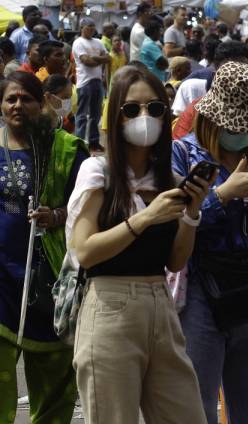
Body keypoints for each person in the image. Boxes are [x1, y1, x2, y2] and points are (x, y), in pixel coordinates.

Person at [68, 65, 211, 424]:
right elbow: (85, 251)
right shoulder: (97, 172)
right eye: (132, 109)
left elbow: (176, 262)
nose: (144, 117)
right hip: (110, 306)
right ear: (116, 116)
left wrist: (191, 213)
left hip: (161, 304)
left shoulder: (170, 179)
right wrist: (145, 218)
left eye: (155, 108)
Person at [172, 61, 248, 424]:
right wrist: (222, 194)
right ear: (212, 119)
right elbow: (176, 224)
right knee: (198, 406)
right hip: (200, 291)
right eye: (234, 126)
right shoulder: (182, 155)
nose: (240, 134)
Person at [0, 70, 88, 424]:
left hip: (51, 283)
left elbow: (90, 204)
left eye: (27, 98)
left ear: (41, 103)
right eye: (11, 98)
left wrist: (58, 214)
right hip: (2, 281)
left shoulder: (66, 150)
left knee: (55, 388)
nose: (18, 105)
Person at [172, 41, 248, 138]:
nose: (237, 81)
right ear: (215, 75)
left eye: (244, 74)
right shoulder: (195, 110)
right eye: (229, 75)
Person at [72, 18, 110, 153]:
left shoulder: (98, 42)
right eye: (89, 26)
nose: (92, 29)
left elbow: (108, 58)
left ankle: (94, 142)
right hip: (84, 82)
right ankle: (79, 143)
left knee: (96, 114)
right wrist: (99, 59)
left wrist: (95, 59)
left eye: (94, 26)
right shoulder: (78, 43)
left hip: (97, 80)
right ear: (82, 27)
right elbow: (87, 61)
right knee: (82, 115)